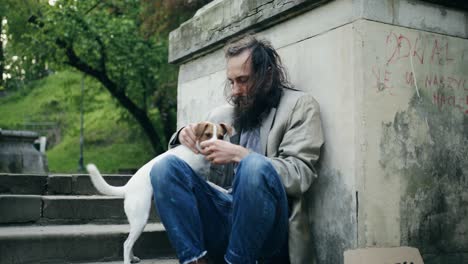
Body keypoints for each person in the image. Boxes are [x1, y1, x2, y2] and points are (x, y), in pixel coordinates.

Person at [150, 35, 324, 264]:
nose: (235, 90)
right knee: (163, 168)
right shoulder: (221, 116)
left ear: (267, 75)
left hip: (270, 228)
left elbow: (300, 175)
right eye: (231, 81)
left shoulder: (299, 106)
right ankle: (195, 260)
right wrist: (182, 136)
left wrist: (240, 155)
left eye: (243, 80)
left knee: (253, 166)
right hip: (222, 217)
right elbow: (194, 168)